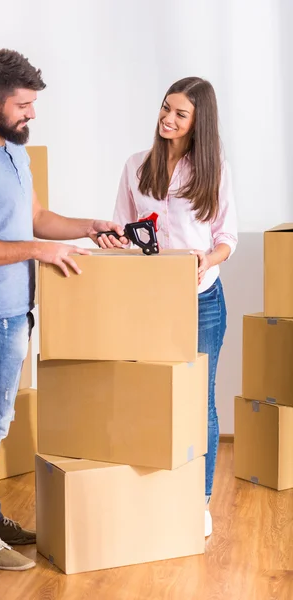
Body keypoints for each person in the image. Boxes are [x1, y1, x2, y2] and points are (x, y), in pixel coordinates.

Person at [0, 48, 127, 572]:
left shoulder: (14, 152)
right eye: (24, 105)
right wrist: (40, 251)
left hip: (16, 307)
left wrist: (90, 225)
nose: (32, 115)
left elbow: (36, 216)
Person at [112, 77, 237, 538]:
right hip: (149, 302)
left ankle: (198, 499)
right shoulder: (135, 166)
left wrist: (206, 259)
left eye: (180, 113)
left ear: (198, 121)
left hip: (201, 300)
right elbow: (124, 231)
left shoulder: (213, 170)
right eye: (166, 108)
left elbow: (227, 239)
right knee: (148, 394)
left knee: (199, 401)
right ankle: (148, 490)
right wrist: (117, 238)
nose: (168, 118)